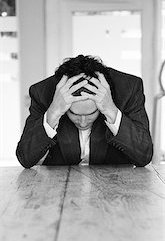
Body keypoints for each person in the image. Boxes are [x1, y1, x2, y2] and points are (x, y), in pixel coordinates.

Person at [16, 54, 153, 168]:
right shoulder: (42, 93)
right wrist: (53, 113)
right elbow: (25, 158)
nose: (82, 122)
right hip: (59, 189)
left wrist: (111, 110)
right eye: (74, 114)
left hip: (115, 190)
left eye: (91, 114)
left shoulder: (128, 90)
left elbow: (144, 155)